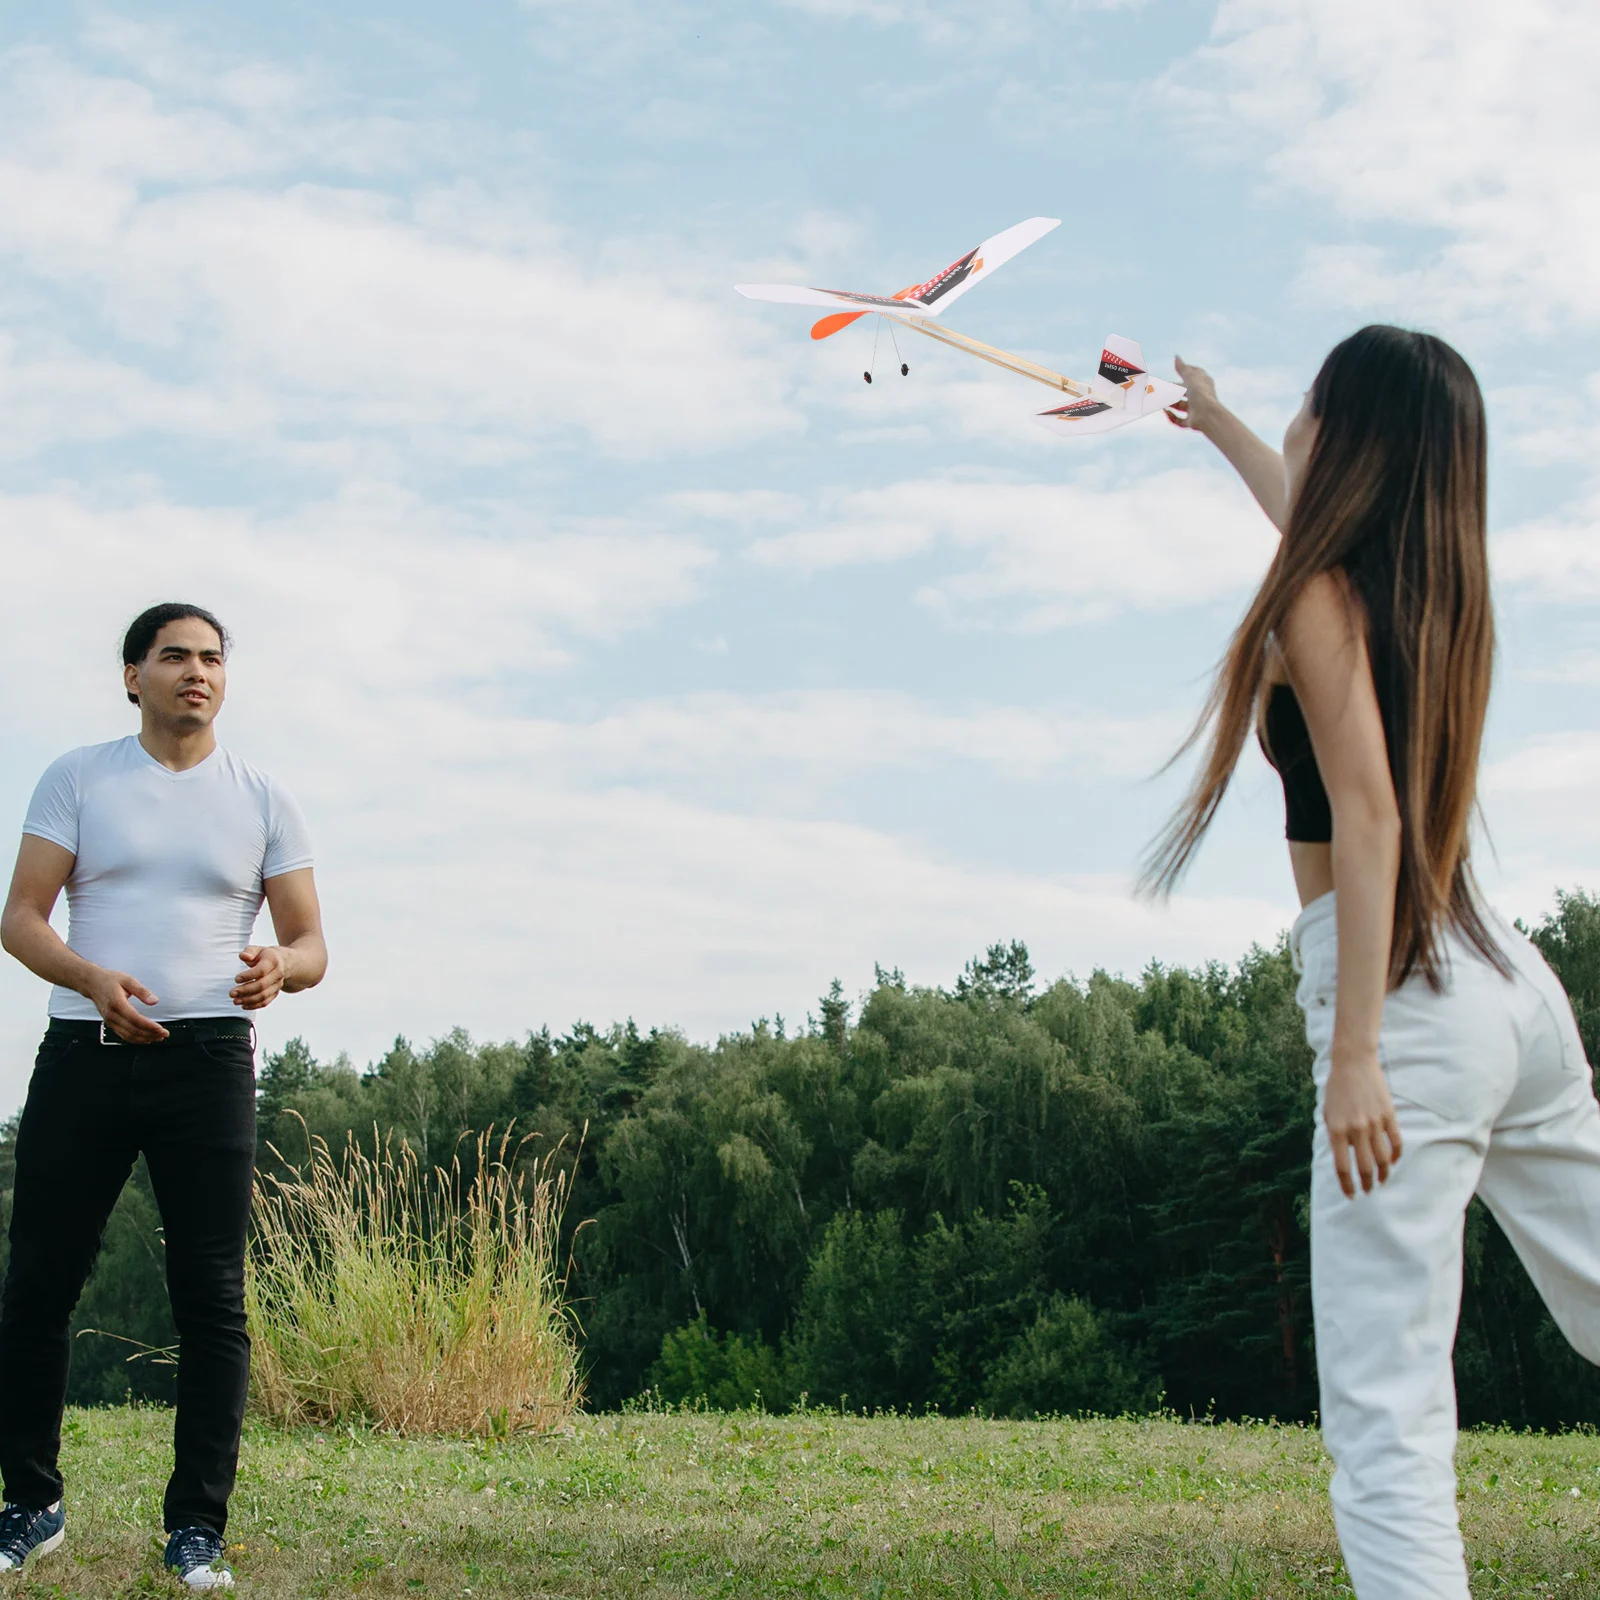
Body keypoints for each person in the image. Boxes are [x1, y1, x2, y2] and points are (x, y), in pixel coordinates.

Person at [1145, 326, 1600, 1597]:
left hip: (1398, 998)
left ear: (1345, 437)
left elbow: (1371, 815)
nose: (1290, 422)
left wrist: (1352, 1057)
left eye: (1302, 404)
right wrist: (1219, 422)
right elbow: (1296, 521)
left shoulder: (1316, 597)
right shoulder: (1413, 588)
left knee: (1384, 1420)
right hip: (1504, 979)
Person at [0, 602, 327, 1589]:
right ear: (132, 675)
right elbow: (21, 917)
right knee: (37, 1289)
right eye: (175, 656)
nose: (198, 672)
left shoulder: (263, 795)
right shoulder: (79, 777)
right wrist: (93, 977)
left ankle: (197, 1529)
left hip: (210, 1063)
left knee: (212, 1299)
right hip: (84, 1051)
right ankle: (29, 1505)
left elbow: (312, 944)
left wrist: (283, 967)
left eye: (212, 659)